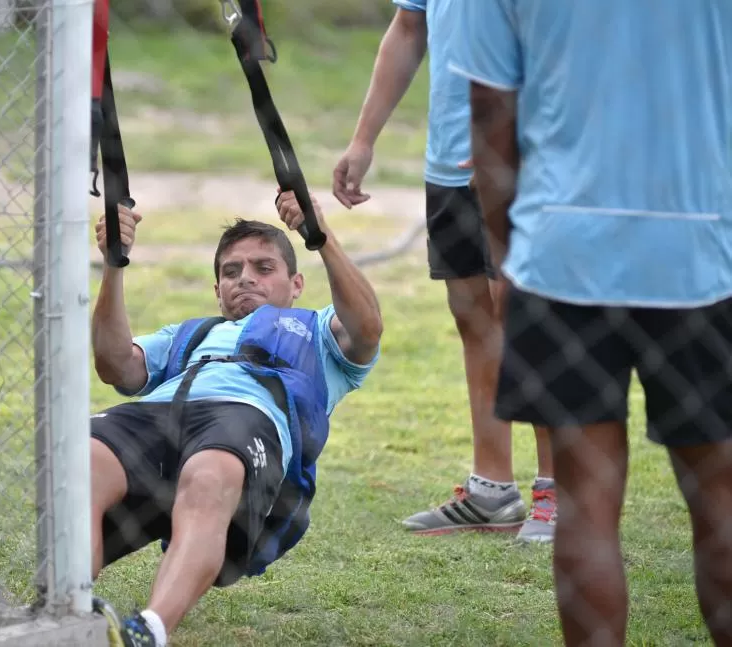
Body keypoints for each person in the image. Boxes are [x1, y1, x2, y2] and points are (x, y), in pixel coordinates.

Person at [450, 2, 732, 645]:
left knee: (585, 506)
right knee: (721, 503)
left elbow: (491, 113)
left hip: (562, 255)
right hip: (699, 253)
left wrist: (509, 253)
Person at [87, 191, 383, 647]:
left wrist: (320, 236)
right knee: (83, 459)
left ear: (296, 283)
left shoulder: (318, 331)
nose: (246, 278)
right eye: (231, 271)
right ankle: (62, 608)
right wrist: (114, 263)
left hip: (246, 421)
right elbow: (114, 365)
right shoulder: (191, 334)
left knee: (211, 472)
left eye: (264, 268)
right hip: (159, 413)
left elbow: (367, 327)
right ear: (217, 290)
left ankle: (149, 630)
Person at [332, 0, 556, 541]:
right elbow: (409, 27)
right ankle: (492, 490)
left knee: (527, 318)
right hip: (449, 161)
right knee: (473, 319)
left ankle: (557, 491)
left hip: (525, 155)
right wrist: (363, 140)